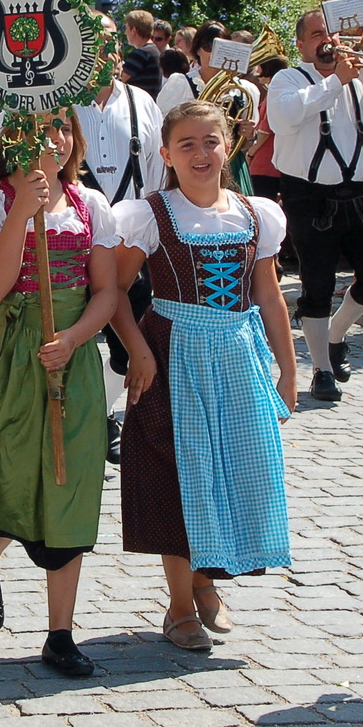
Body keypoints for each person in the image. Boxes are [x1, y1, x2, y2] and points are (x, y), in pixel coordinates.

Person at [0, 111, 123, 678]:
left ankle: (59, 633)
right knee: (10, 474)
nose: (53, 139)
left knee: (72, 480)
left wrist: (75, 338)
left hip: (72, 352)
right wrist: (21, 211)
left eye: (62, 126)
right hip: (9, 349)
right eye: (38, 127)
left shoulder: (93, 205)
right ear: (11, 138)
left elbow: (106, 291)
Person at [114, 101, 294, 652]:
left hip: (238, 354)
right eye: (186, 144)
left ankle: (206, 582)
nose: (201, 153)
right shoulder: (150, 213)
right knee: (177, 470)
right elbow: (116, 292)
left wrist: (286, 367)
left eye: (210, 141)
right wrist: (139, 352)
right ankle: (178, 603)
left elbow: (266, 293)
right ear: (166, 154)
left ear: (228, 146)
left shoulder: (253, 212)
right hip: (173, 349)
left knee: (232, 469)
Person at [270, 9, 363, 402]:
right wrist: (334, 82)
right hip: (308, 195)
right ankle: (321, 371)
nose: (327, 41)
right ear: (301, 43)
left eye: (331, 34)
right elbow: (284, 118)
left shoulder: (358, 77)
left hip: (358, 192)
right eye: (317, 35)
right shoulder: (288, 79)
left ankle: (335, 335)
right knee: (317, 284)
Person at [74, 13, 165, 398]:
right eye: (92, 39)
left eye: (111, 39)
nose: (105, 47)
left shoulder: (141, 101)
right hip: (75, 241)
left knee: (130, 342)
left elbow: (158, 173)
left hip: (129, 244)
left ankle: (109, 412)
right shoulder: (60, 105)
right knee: (72, 340)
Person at [119, 10, 163, 99]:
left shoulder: (140, 54)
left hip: (138, 103)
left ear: (134, 30)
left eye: (127, 28)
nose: (125, 33)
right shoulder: (155, 51)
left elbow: (120, 82)